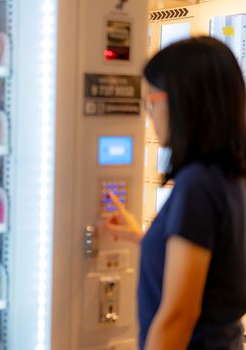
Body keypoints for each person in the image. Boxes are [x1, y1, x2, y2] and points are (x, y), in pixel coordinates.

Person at [105, 36, 246, 350]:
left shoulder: (198, 184)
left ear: (184, 101)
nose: (150, 114)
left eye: (152, 101)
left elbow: (178, 317)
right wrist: (146, 236)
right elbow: (210, 269)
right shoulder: (229, 174)